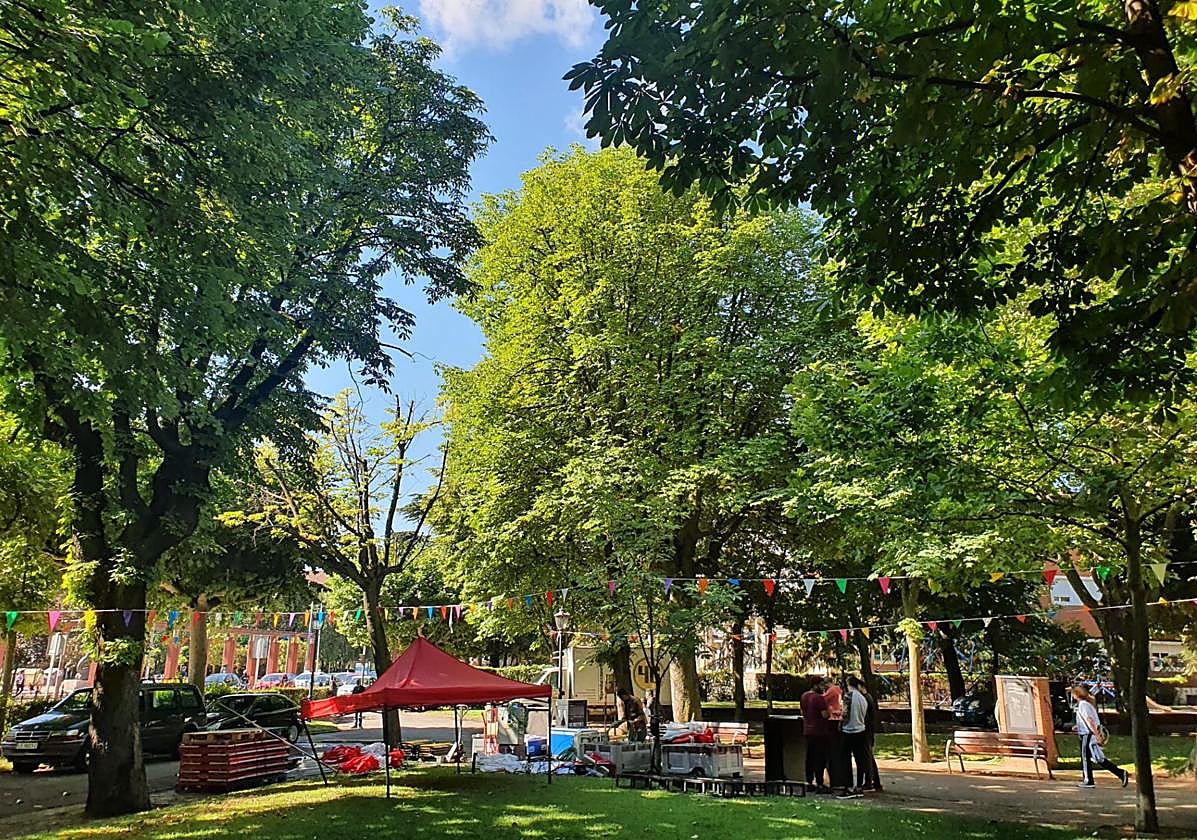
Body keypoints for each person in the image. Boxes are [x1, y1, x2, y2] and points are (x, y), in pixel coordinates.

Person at [1072, 685, 1128, 789]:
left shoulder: (1083, 705)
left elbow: (1090, 720)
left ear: (1076, 694)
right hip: (1087, 732)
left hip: (1087, 734)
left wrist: (1096, 735)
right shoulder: (1086, 704)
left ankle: (1088, 780)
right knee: (1097, 758)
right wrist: (1078, 726)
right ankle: (1120, 773)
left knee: (1086, 758)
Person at [837, 676, 874, 798]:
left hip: (849, 731)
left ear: (848, 685)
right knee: (860, 760)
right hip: (861, 731)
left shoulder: (849, 696)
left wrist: (840, 723)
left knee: (845, 759)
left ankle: (847, 786)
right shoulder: (863, 698)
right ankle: (859, 786)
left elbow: (845, 713)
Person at [799, 677, 831, 792]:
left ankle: (808, 781)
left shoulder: (804, 696)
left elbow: (802, 712)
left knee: (810, 756)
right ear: (815, 685)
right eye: (821, 685)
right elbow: (825, 715)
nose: (823, 687)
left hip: (807, 730)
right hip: (819, 731)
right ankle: (819, 783)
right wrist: (830, 711)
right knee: (820, 758)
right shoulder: (819, 698)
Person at [859, 677, 882, 792]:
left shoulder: (865, 699)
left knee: (867, 757)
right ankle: (874, 781)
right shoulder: (868, 698)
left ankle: (870, 781)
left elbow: (866, 717)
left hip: (866, 732)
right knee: (868, 757)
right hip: (868, 731)